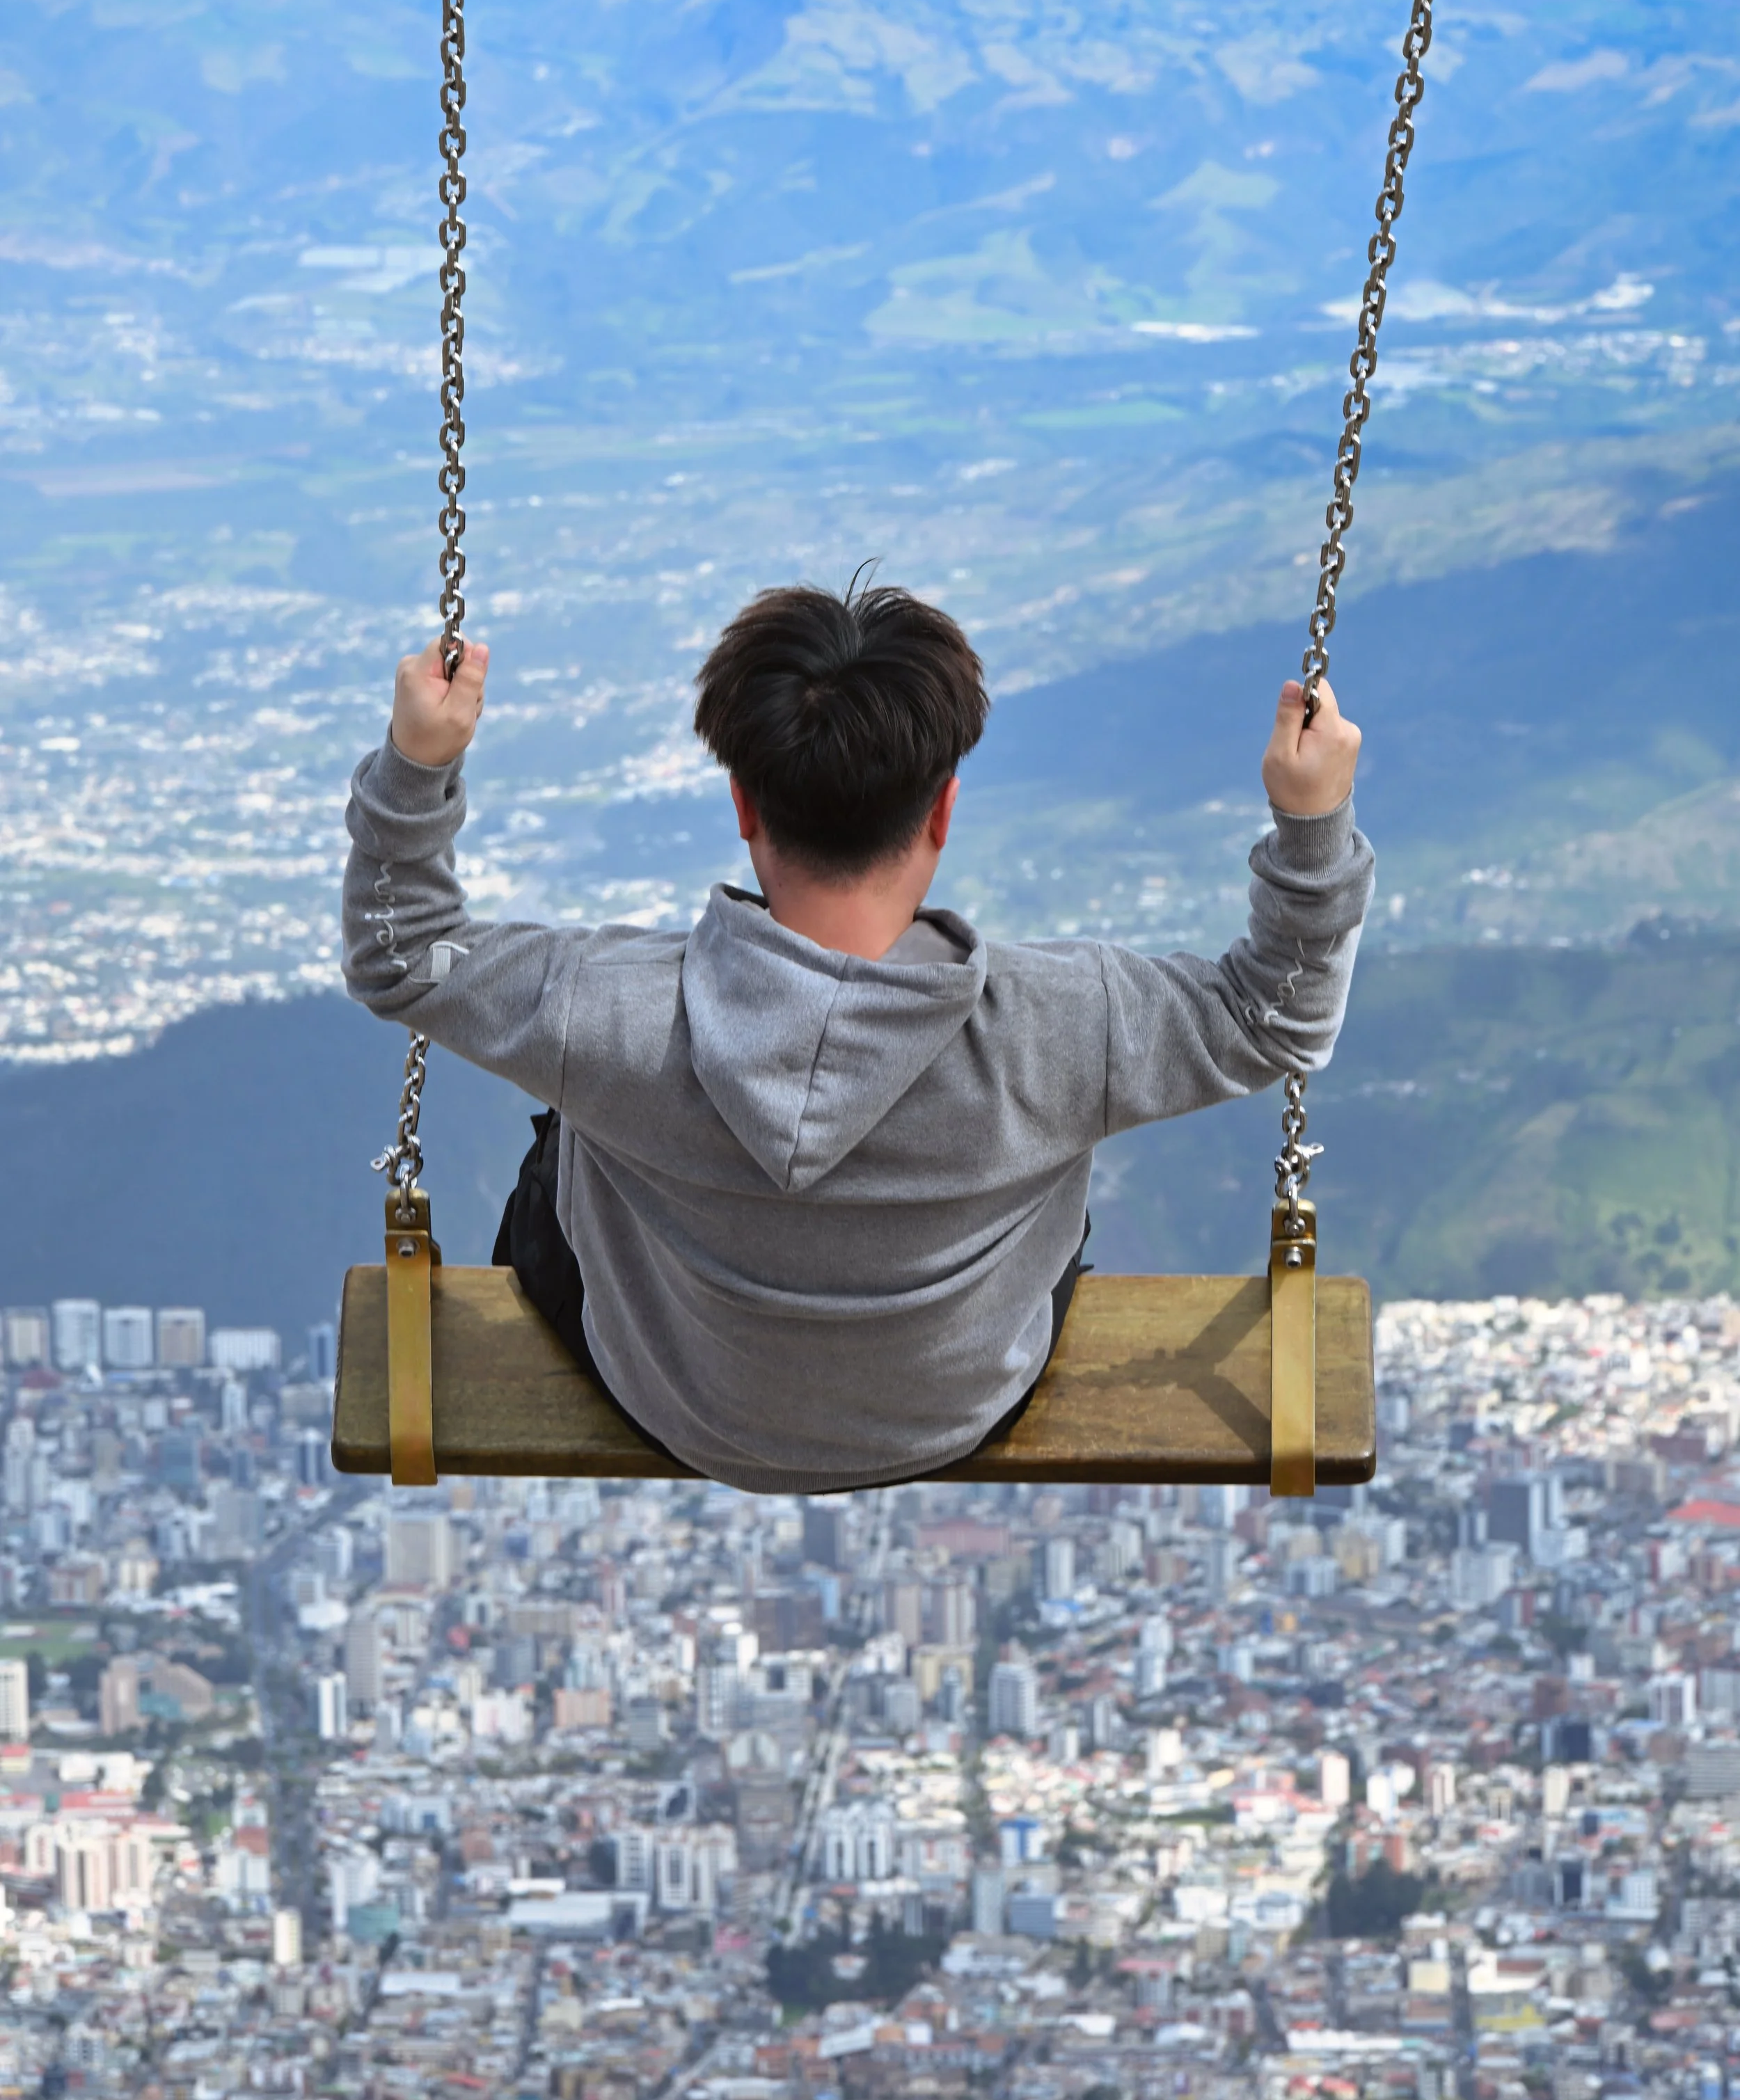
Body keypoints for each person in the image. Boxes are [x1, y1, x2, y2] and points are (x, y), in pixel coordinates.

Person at [342, 582, 1372, 1493]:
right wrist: (1311, 820)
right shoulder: (1063, 1023)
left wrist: (419, 762)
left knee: (568, 1137)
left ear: (744, 805)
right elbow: (1274, 1012)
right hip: (957, 1407)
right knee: (1057, 1162)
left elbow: (401, 951)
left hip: (681, 1399)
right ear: (943, 813)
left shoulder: (608, 1011)